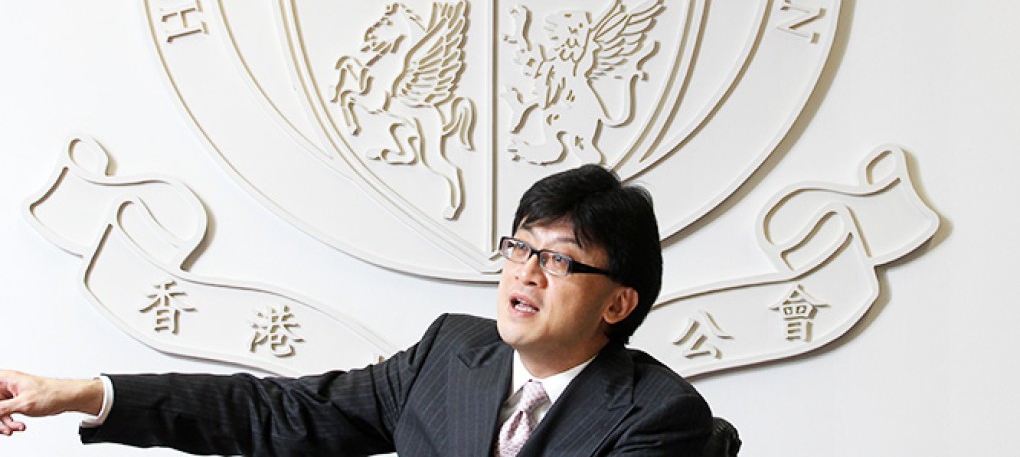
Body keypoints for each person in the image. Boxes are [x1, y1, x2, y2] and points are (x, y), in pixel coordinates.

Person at [0, 164, 713, 456]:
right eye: (519, 247)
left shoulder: (659, 416)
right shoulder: (451, 355)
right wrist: (82, 395)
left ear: (619, 302)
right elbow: (279, 413)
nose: (525, 272)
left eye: (558, 260)